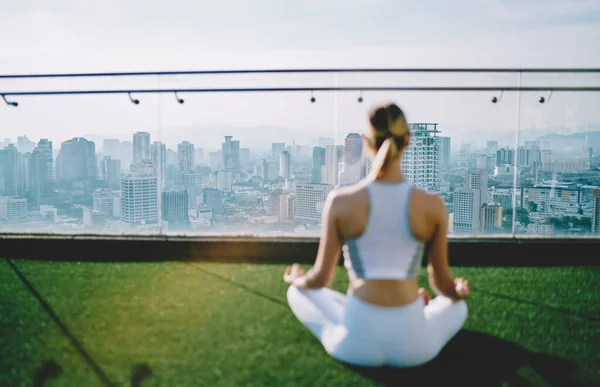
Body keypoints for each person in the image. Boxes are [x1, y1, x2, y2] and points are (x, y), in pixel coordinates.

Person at [283, 102, 470, 368]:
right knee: (457, 305)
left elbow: (321, 278)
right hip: (415, 348)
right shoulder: (432, 205)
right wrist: (457, 291)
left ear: (365, 142)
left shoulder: (341, 202)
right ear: (408, 140)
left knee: (297, 293)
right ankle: (418, 303)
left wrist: (297, 279)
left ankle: (389, 306)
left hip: (354, 343)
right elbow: (441, 283)